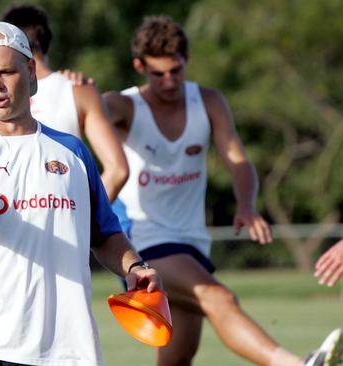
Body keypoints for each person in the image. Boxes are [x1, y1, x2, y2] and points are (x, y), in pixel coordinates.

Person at [103, 15, 342, 366]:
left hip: (192, 244)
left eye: (176, 71)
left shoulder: (208, 102)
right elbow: (84, 110)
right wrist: (73, 89)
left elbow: (238, 161)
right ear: (139, 66)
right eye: (158, 73)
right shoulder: (123, 106)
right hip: (143, 240)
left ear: (186, 61)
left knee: (177, 358)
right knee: (220, 299)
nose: (169, 81)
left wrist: (246, 205)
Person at [0, 21, 161, 366]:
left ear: (30, 71)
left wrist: (134, 266)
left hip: (73, 351)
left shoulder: (71, 150)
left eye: (6, 71)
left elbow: (104, 234)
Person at [0, 4, 128, 202]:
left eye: (7, 71)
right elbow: (117, 170)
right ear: (46, 43)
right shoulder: (78, 90)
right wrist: (84, 219)